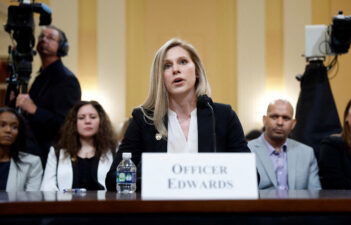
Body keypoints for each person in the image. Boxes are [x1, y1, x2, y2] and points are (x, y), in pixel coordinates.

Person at [106, 38, 249, 191]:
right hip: (161, 212)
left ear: (197, 71)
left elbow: (250, 174)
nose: (175, 69)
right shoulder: (145, 120)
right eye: (167, 66)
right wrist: (161, 181)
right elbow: (114, 178)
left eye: (182, 62)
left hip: (210, 211)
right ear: (160, 78)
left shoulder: (222, 116)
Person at [16, 25, 81, 167]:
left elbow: (66, 123)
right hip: (32, 151)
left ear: (62, 47)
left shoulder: (66, 79)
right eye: (41, 37)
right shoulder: (41, 77)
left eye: (50, 37)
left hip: (49, 156)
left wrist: (34, 110)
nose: (44, 39)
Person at [40, 101, 117, 191]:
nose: (87, 121)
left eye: (93, 117)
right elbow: (46, 188)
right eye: (81, 118)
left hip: (104, 204)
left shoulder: (114, 150)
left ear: (101, 121)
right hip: (66, 204)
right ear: (74, 123)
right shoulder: (57, 152)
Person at [248, 99, 321, 190]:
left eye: (286, 118)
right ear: (264, 120)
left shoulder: (307, 153)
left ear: (293, 124)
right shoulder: (247, 150)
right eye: (274, 117)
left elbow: (315, 193)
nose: (280, 123)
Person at [0, 107, 42, 191]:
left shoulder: (32, 163)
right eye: (2, 125)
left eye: (14, 127)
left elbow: (31, 200)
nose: (9, 130)